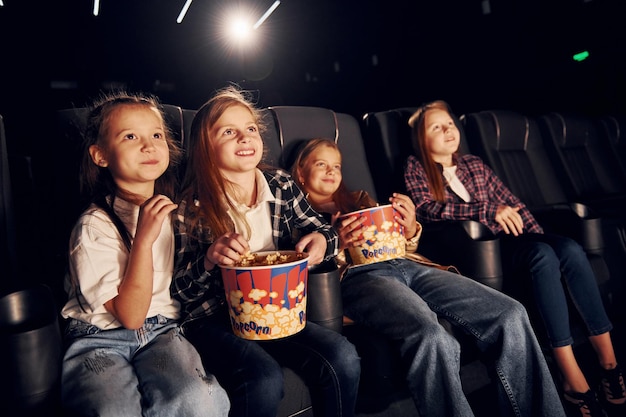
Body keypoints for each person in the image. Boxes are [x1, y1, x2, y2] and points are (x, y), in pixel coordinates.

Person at [291, 137, 566, 417]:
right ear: (300, 172)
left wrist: (409, 228)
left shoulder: (359, 199)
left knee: (511, 313)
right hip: (360, 277)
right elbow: (301, 272)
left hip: (407, 265)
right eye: (321, 164)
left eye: (336, 165)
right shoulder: (294, 214)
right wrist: (336, 242)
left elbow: (400, 246)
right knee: (432, 335)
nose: (331, 171)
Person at [403, 100, 625, 417]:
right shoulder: (416, 168)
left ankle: (609, 363)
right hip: (482, 250)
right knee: (542, 256)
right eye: (436, 127)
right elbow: (429, 209)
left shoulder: (474, 164)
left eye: (450, 123)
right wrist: (487, 210)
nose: (448, 130)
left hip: (516, 239)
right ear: (422, 141)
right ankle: (572, 378)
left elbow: (513, 203)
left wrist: (537, 234)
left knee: (568, 249)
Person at [171, 86, 360, 417]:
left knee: (342, 356)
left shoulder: (282, 186)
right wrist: (210, 260)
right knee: (263, 378)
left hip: (279, 310)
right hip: (214, 318)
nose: (244, 138)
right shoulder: (192, 206)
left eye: (250, 129)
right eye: (229, 132)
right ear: (205, 146)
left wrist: (320, 243)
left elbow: (328, 232)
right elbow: (181, 291)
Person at [60, 92, 230, 417]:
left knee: (200, 399)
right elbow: (130, 316)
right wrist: (143, 239)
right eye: (130, 136)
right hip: (98, 337)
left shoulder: (175, 212)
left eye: (156, 135)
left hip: (161, 331)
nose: (148, 145)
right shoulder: (93, 225)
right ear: (100, 156)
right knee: (111, 409)